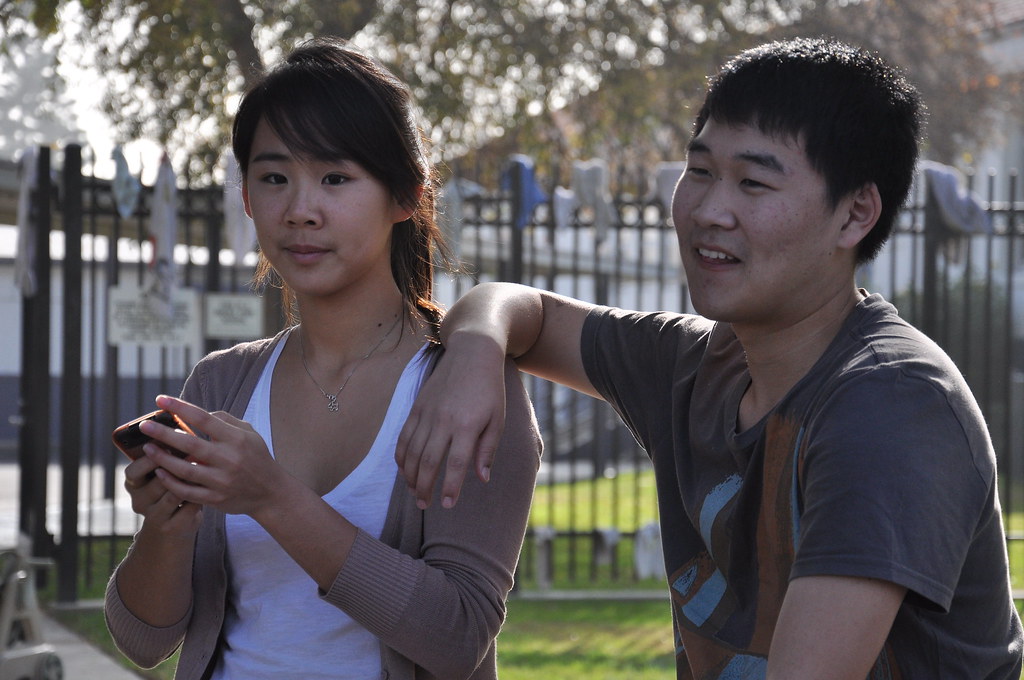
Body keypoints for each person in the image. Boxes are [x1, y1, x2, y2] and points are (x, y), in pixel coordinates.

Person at [396, 38, 1024, 678]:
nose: (707, 211)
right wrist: (474, 354)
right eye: (699, 171)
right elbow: (517, 307)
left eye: (753, 182)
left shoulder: (893, 405)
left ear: (854, 214)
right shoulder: (698, 363)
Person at [104, 37, 541, 680]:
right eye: (274, 178)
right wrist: (166, 527)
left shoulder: (465, 387)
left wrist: (273, 497)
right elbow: (143, 641)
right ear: (247, 198)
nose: (300, 211)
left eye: (335, 178)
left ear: (406, 197)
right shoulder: (222, 384)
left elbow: (457, 638)